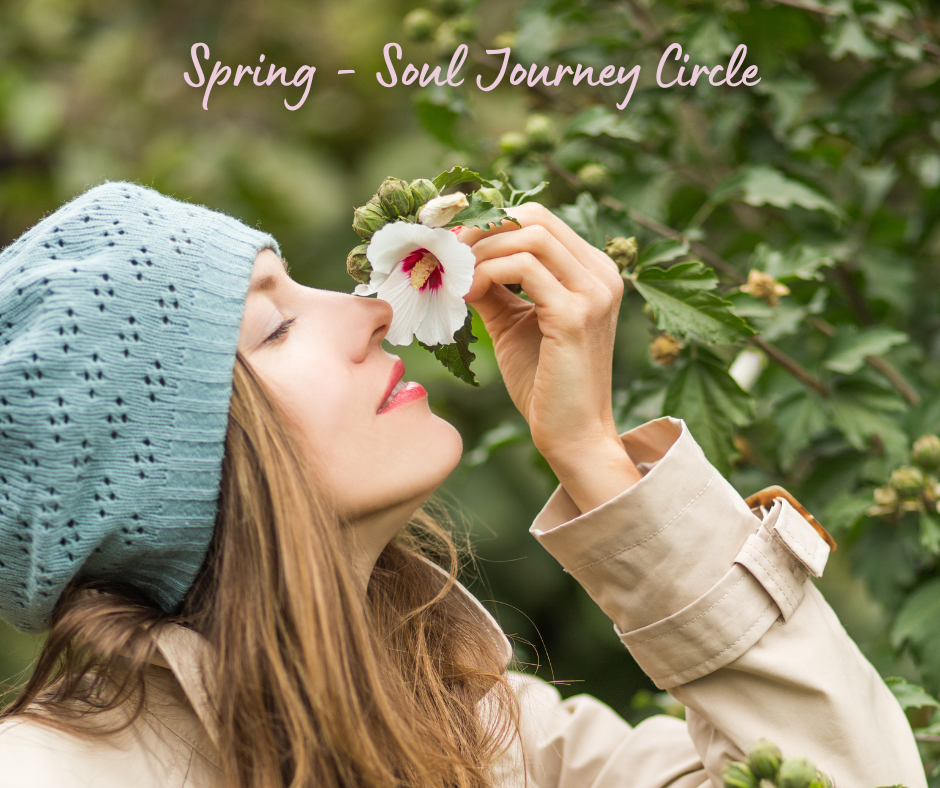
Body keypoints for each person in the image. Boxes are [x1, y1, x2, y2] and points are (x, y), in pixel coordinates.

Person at [0, 181, 925, 788]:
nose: (371, 309)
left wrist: (597, 457)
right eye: (272, 327)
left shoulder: (483, 736)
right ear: (168, 472)